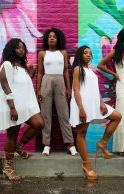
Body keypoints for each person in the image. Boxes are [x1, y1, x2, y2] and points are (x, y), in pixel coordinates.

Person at [70, 45, 122, 180]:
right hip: (82, 104)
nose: (88, 55)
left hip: (95, 104)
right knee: (82, 133)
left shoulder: (91, 71)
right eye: (85, 53)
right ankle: (86, 165)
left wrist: (101, 103)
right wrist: (81, 108)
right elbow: (76, 90)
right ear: (80, 55)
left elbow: (95, 89)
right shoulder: (78, 69)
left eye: (90, 53)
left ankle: (103, 142)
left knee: (117, 116)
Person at [0, 38, 45, 180]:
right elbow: (6, 85)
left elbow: (22, 84)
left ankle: (20, 146)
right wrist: (12, 107)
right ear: (12, 49)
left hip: (26, 105)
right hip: (13, 105)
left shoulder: (22, 66)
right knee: (12, 135)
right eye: (18, 48)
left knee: (39, 124)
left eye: (23, 48)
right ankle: (8, 167)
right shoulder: (7, 64)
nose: (21, 50)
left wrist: (30, 72)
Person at [37, 28, 77, 156]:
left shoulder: (63, 53)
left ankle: (70, 144)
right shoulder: (42, 54)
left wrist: (68, 87)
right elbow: (39, 72)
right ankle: (46, 144)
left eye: (54, 36)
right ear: (46, 39)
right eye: (49, 36)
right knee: (45, 115)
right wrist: (38, 90)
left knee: (64, 114)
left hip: (60, 81)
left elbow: (66, 71)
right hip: (46, 80)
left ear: (58, 39)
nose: (52, 38)